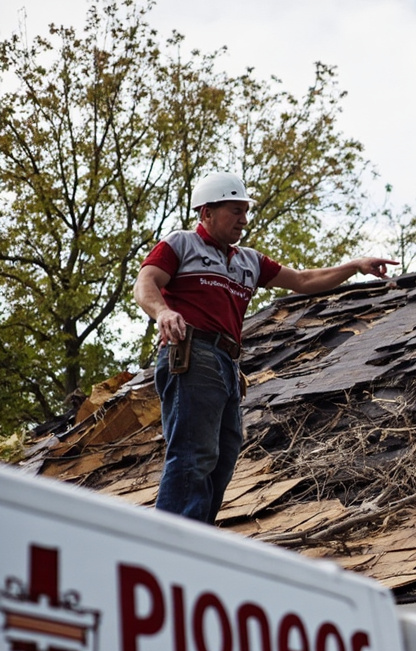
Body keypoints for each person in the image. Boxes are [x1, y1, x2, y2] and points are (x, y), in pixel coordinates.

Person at [134, 172, 397, 523]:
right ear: (206, 212)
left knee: (224, 456)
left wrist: (354, 266)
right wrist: (163, 312)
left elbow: (304, 281)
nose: (243, 220)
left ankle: (197, 536)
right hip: (193, 353)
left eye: (245, 211)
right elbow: (146, 282)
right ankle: (171, 542)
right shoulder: (181, 244)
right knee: (194, 454)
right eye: (235, 210)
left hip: (227, 364)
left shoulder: (249, 261)